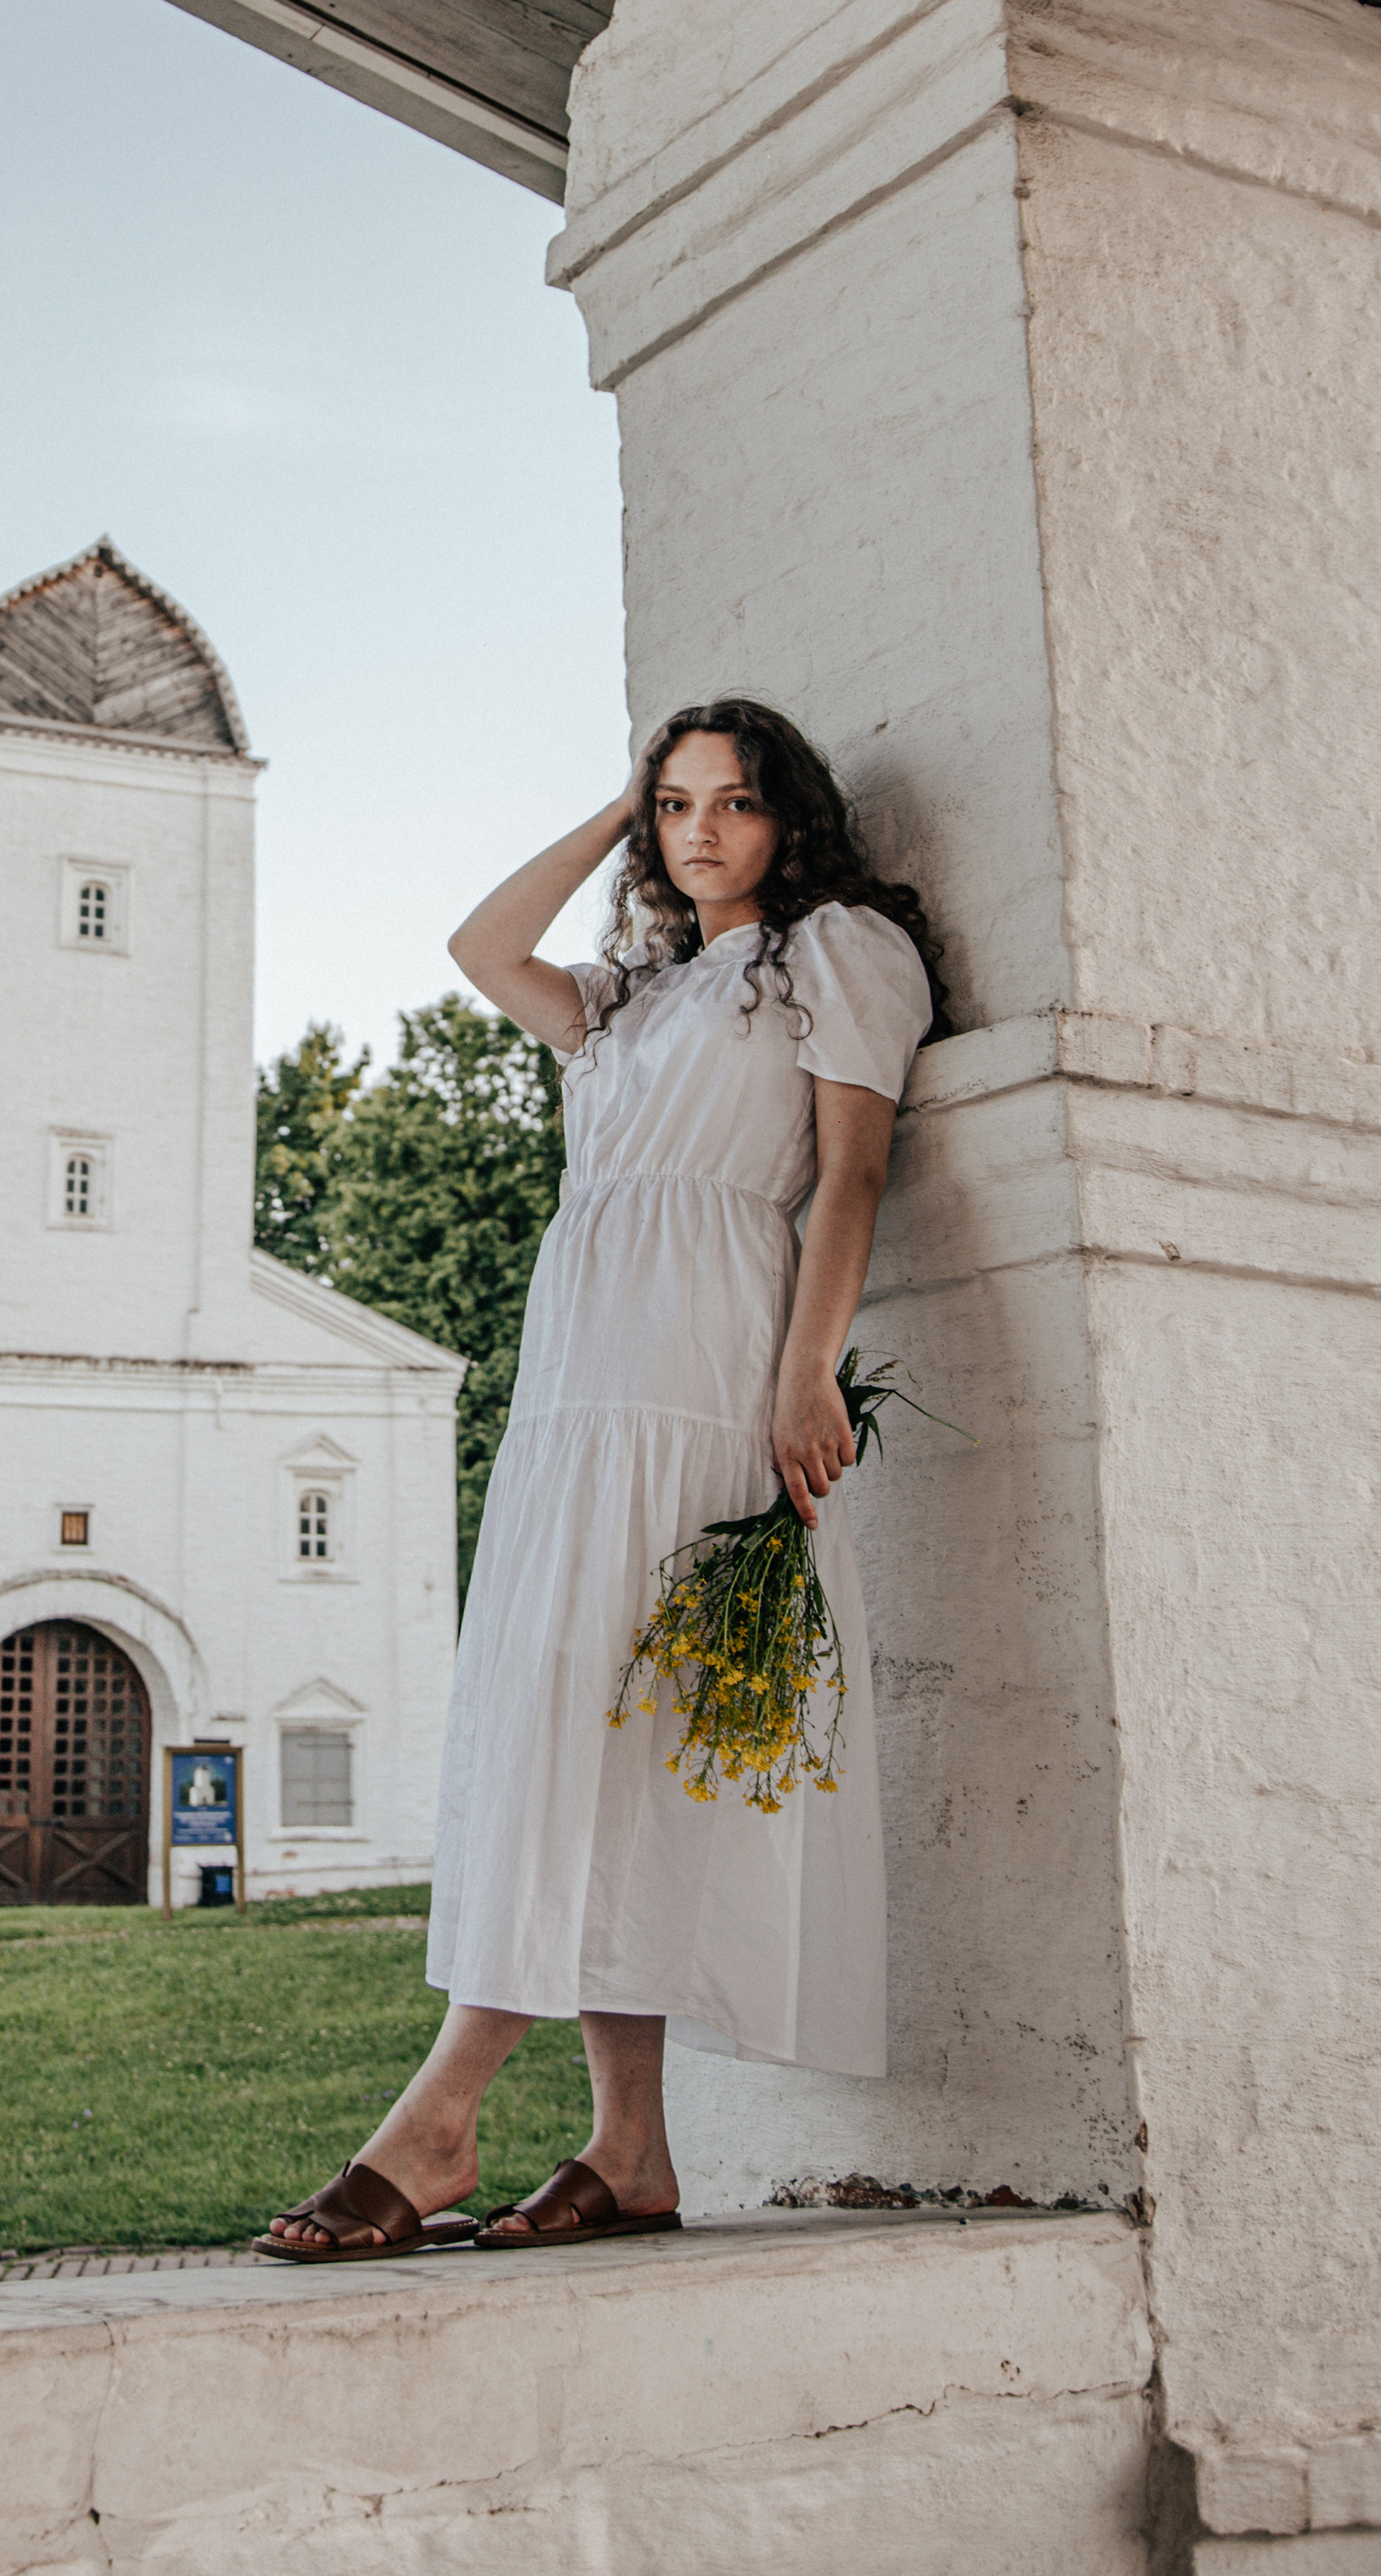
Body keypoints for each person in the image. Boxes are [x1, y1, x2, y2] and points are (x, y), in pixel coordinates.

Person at [258, 702, 945, 2261]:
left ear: (793, 821)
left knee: (593, 1727)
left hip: (699, 1378)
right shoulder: (636, 991)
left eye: (736, 803)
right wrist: (612, 810)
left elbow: (852, 1173)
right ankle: (631, 2149)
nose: (702, 830)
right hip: (579, 1383)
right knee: (590, 1729)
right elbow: (482, 945)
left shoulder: (838, 954)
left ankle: (439, 2116)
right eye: (677, 805)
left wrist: (803, 1367)